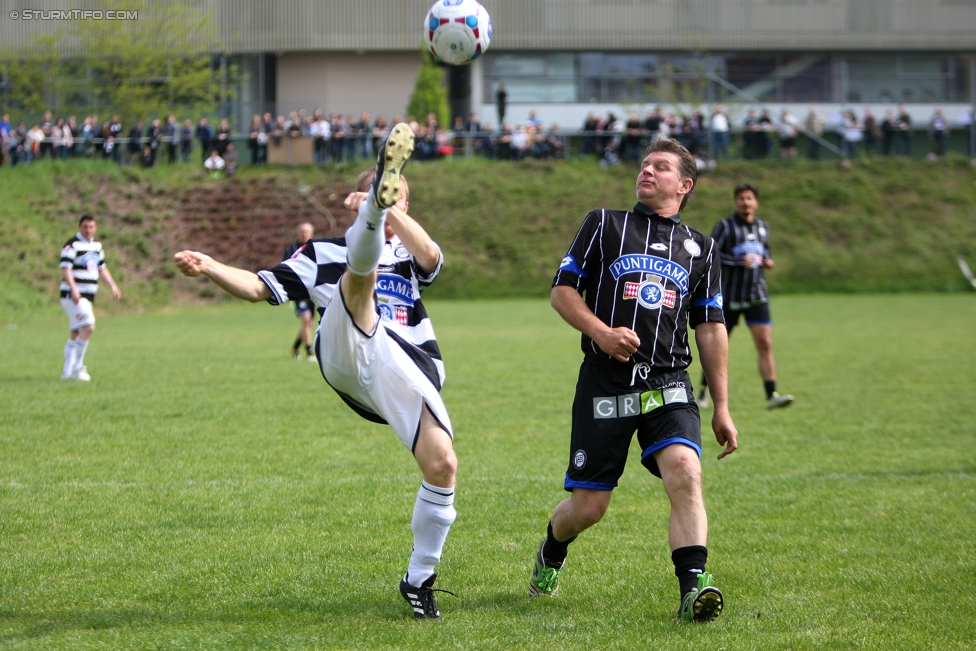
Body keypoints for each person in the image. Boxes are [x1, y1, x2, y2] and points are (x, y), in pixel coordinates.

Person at [173, 124, 458, 620]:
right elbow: (261, 287)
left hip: (404, 368)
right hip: (345, 350)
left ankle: (418, 579)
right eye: (384, 191)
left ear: (403, 207)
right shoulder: (321, 254)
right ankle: (364, 231)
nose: (394, 201)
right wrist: (213, 265)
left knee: (443, 465)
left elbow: (432, 257)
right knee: (358, 278)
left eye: (398, 196)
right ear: (361, 199)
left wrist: (384, 208)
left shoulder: (411, 259)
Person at [528, 138, 738, 624]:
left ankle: (693, 590)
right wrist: (601, 333)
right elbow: (562, 293)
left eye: (660, 167)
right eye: (644, 165)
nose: (647, 171)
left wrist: (722, 404)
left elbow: (709, 327)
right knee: (588, 508)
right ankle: (552, 549)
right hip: (605, 385)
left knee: (686, 472)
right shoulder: (605, 224)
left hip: (668, 382)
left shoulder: (702, 249)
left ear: (684, 185)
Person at [698, 183, 793, 411]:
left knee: (765, 343)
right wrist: (739, 261)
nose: (745, 202)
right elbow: (712, 255)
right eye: (741, 198)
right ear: (735, 202)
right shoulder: (725, 226)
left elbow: (765, 251)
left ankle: (772, 394)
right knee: (718, 347)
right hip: (729, 296)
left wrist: (767, 261)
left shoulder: (762, 227)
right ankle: (702, 393)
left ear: (756, 202)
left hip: (756, 295)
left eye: (749, 198)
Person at [59, 214, 122, 381]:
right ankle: (77, 368)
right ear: (79, 227)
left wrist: (112, 285)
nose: (88, 230)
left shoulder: (96, 246)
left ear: (95, 228)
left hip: (88, 295)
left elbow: (101, 268)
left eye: (91, 227)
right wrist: (73, 289)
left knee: (76, 331)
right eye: (85, 227)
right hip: (73, 295)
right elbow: (65, 268)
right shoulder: (72, 245)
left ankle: (67, 372)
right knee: (88, 327)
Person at [283, 222, 318, 361]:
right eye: (302, 231)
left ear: (312, 233)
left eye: (307, 231)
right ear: (297, 233)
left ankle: (295, 347)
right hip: (298, 291)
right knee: (306, 320)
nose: (305, 234)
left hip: (313, 290)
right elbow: (284, 269)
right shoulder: (291, 250)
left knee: (308, 324)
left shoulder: (316, 249)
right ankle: (309, 352)